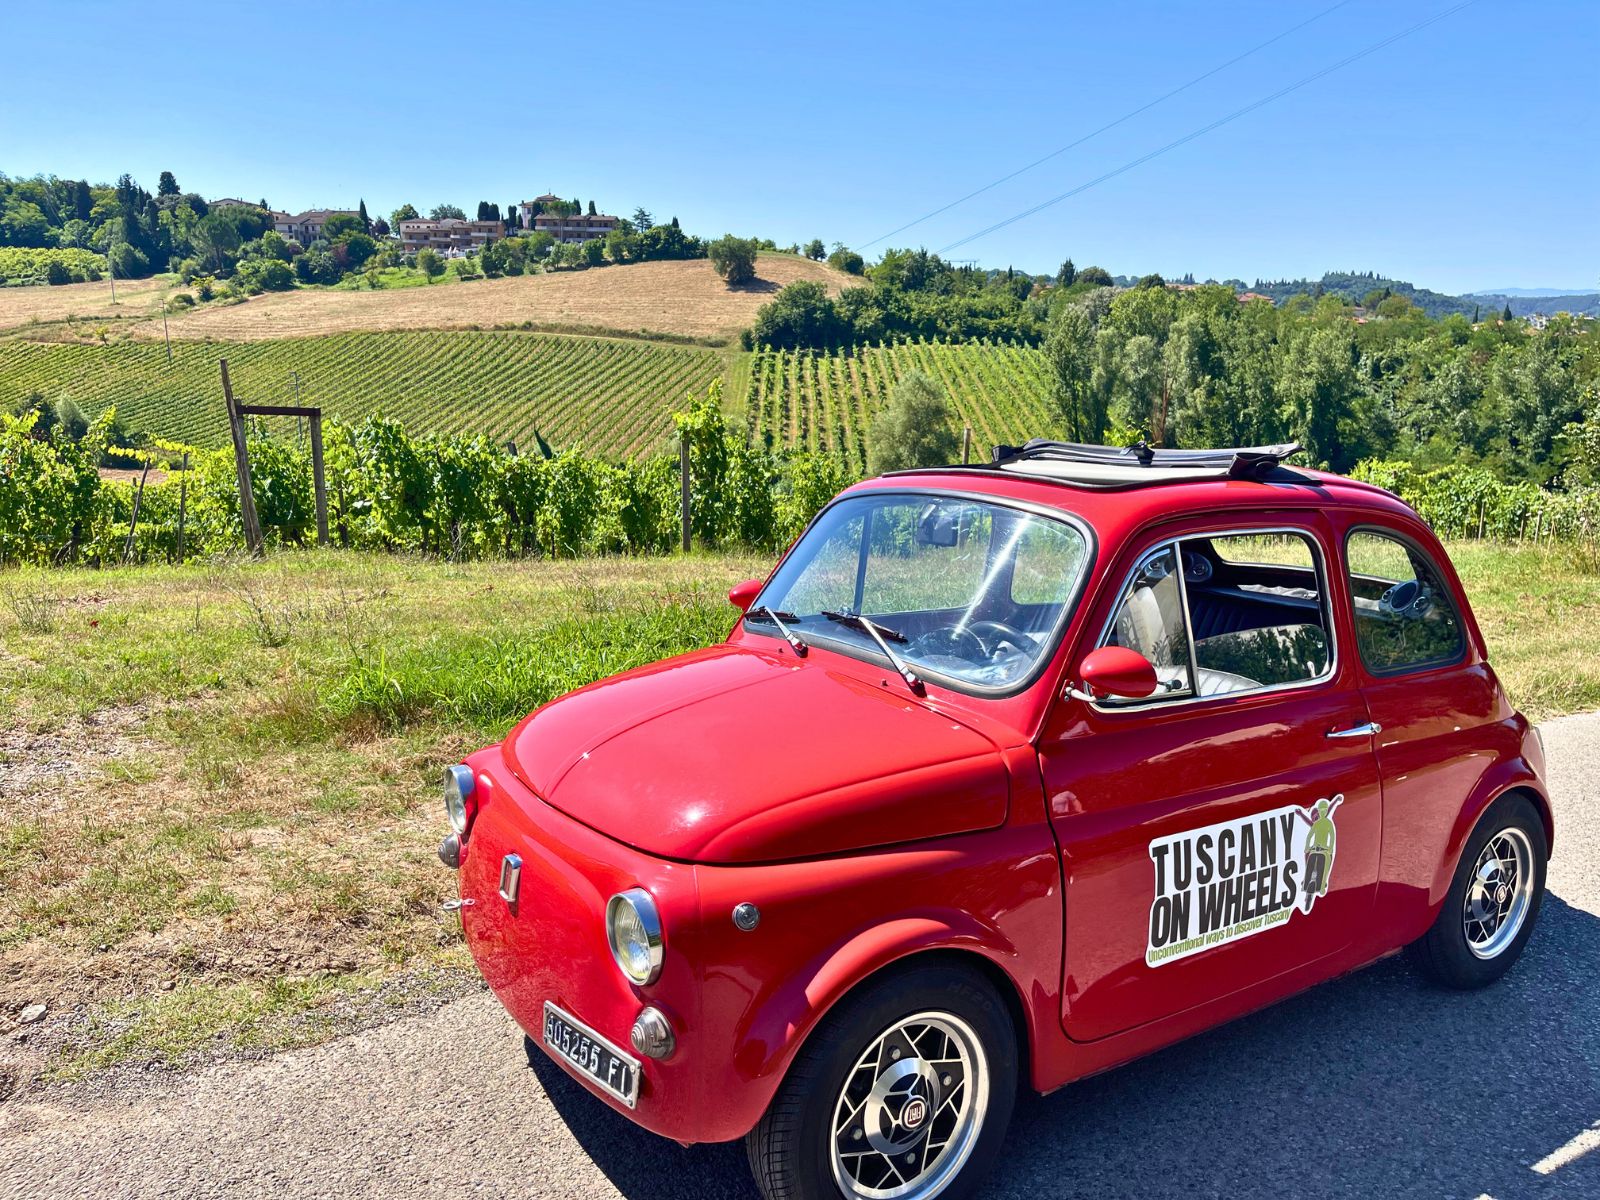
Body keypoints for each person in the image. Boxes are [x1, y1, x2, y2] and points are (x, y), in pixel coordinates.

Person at [1295, 795, 1342, 914]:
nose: (1315, 818)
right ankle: (1308, 874)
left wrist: (1335, 801)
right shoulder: (1316, 824)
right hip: (1316, 848)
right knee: (1307, 854)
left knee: (1329, 859)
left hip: (1325, 849)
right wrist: (1307, 847)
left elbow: (1331, 836)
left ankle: (1323, 880)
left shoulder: (1326, 822)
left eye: (1317, 815)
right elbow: (1310, 834)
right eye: (1313, 817)